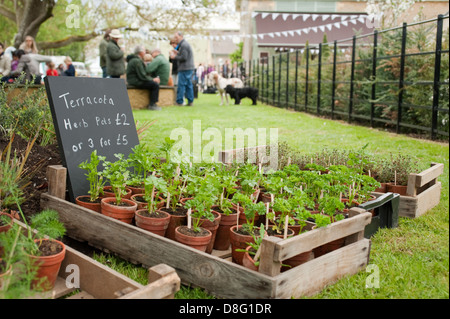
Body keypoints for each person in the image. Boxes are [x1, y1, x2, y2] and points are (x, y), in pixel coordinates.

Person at [126, 45, 160, 111]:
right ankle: (152, 104)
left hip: (133, 80)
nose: (145, 52)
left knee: (153, 83)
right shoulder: (136, 61)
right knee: (155, 85)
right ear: (140, 52)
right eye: (144, 51)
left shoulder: (135, 60)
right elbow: (142, 76)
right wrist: (153, 79)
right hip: (135, 81)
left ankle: (152, 104)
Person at [169, 31, 195, 106]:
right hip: (188, 67)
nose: (175, 39)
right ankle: (190, 101)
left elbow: (184, 57)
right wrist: (178, 53)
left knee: (182, 85)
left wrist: (174, 56)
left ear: (181, 36)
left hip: (185, 68)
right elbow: (184, 55)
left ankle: (179, 101)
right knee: (188, 84)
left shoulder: (184, 45)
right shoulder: (184, 44)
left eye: (176, 37)